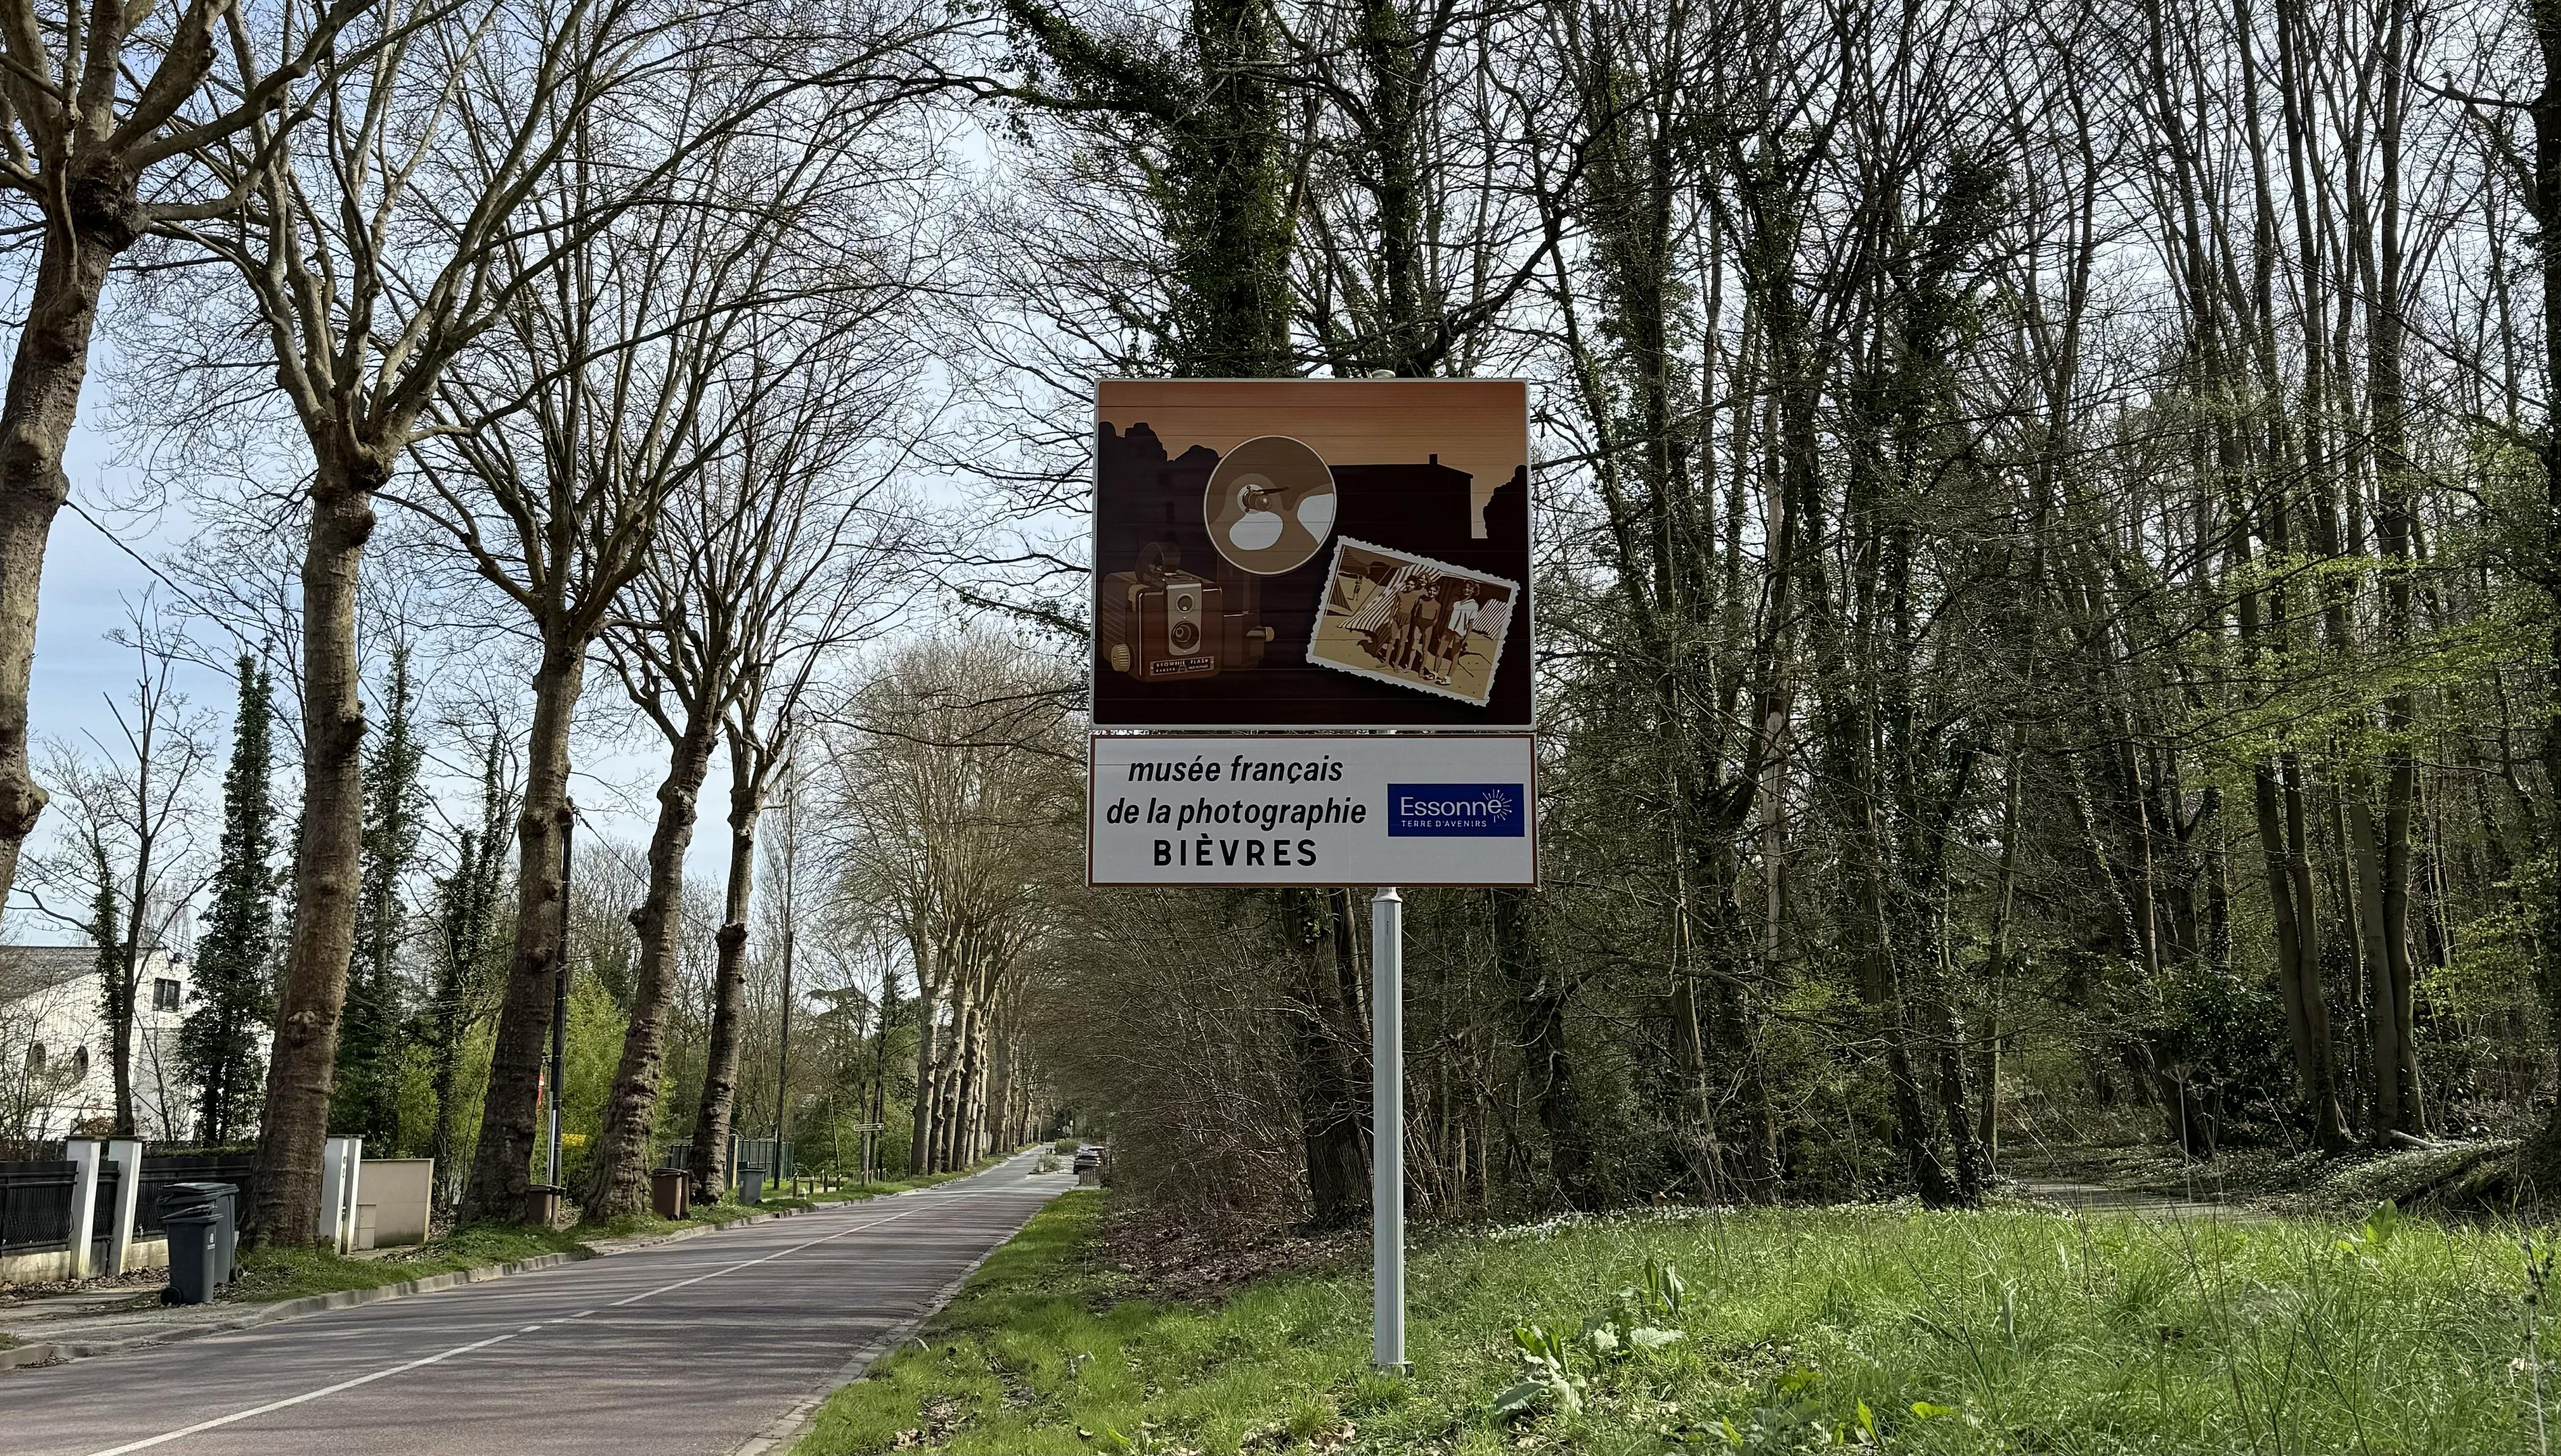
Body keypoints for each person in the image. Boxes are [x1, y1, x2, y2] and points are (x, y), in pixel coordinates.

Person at [1435, 586, 1483, 686]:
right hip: (1448, 630)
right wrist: (1443, 629)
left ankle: (1448, 678)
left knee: (1455, 656)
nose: (1466, 590)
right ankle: (1434, 673)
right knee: (1439, 653)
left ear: (1474, 591)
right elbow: (1448, 616)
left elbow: (1470, 623)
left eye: (1470, 589)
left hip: (1460, 633)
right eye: (1465, 588)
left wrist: (1466, 639)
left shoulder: (1474, 605)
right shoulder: (1455, 600)